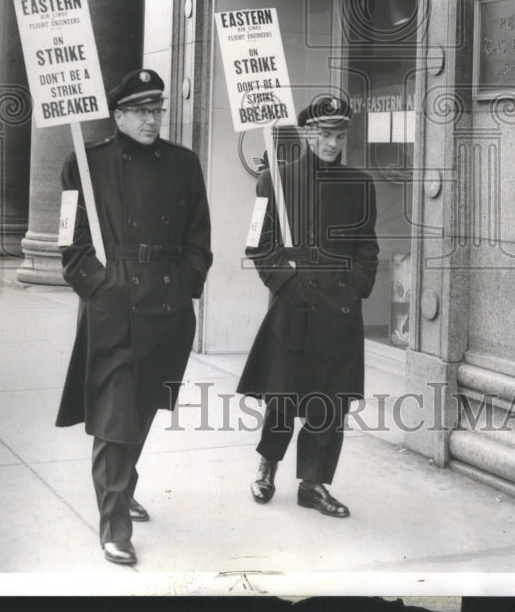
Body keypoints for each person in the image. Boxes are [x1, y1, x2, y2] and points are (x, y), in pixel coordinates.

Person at [55, 70, 212, 566]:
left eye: (157, 110)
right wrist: (100, 288)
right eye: (141, 110)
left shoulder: (184, 164)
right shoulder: (84, 163)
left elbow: (199, 239)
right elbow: (70, 242)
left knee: (142, 411)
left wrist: (187, 284)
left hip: (167, 306)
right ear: (118, 114)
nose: (151, 119)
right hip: (114, 307)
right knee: (115, 418)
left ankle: (122, 488)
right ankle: (114, 523)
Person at [237, 94, 379, 518]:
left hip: (339, 312)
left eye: (338, 135)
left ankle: (313, 485)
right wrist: (288, 284)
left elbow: (367, 246)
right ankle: (267, 465)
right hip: (292, 308)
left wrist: (355, 288)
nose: (332, 143)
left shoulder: (361, 185)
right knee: (282, 396)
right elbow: (256, 245)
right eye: (323, 135)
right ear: (307, 134)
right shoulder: (273, 183)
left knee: (329, 402)